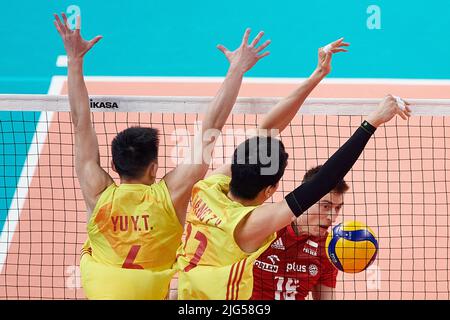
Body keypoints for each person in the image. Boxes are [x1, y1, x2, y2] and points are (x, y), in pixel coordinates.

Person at [53, 12, 271, 299]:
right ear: (154, 167)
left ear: (114, 165)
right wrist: (236, 70)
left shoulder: (97, 190)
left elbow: (81, 123)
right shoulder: (171, 195)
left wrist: (74, 60)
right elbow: (212, 126)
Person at [176, 38, 407, 300]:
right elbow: (323, 181)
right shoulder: (252, 225)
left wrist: (318, 74)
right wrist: (371, 123)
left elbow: (264, 132)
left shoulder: (206, 188)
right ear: (270, 190)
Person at [251, 165, 348, 300]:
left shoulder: (328, 247)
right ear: (305, 199)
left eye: (337, 208)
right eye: (326, 206)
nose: (332, 217)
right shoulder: (267, 225)